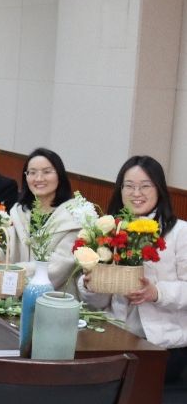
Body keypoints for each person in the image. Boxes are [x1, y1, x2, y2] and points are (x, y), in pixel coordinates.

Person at [80, 156, 187, 384]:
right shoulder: (111, 230)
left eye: (145, 186)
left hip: (164, 344)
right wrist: (91, 285)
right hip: (115, 336)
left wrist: (157, 293)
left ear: (159, 189)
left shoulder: (180, 232)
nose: (136, 193)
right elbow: (98, 303)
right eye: (129, 186)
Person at [6, 148, 95, 293]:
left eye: (47, 172)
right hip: (13, 295)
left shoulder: (74, 216)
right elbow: (6, 252)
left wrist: (12, 272)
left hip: (56, 298)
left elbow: (59, 266)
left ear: (59, 175)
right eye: (32, 172)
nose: (39, 178)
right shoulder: (19, 212)